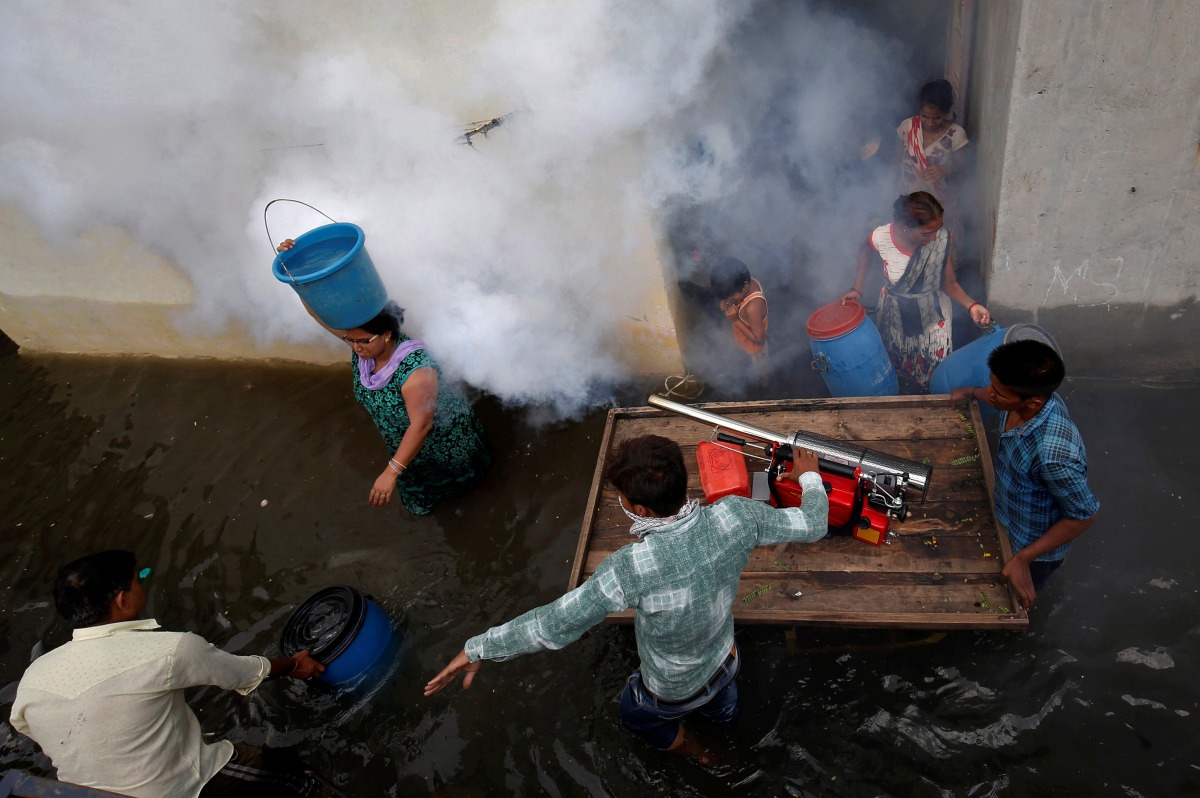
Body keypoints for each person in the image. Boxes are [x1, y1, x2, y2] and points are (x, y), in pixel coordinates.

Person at [424, 435, 828, 759]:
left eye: (620, 497)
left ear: (641, 510)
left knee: (637, 718)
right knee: (723, 710)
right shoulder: (738, 515)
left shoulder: (629, 568)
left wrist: (479, 649)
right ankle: (727, 733)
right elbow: (813, 523)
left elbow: (554, 624)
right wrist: (808, 476)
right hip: (725, 660)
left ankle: (699, 753)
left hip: (672, 687)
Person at [10, 550, 331, 798]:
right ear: (122, 600)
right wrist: (294, 664)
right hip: (180, 787)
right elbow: (244, 672)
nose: (140, 585)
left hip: (88, 794)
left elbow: (26, 725)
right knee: (292, 775)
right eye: (137, 580)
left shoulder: (34, 678)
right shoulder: (170, 649)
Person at [278, 239, 491, 516]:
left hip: (444, 444)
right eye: (349, 340)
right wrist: (295, 272)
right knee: (421, 494)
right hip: (404, 447)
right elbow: (319, 314)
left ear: (387, 334)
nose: (354, 347)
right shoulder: (365, 346)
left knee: (468, 494)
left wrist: (391, 472)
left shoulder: (416, 370)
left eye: (362, 341)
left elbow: (422, 425)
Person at [950, 340, 1100, 609]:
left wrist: (1023, 559)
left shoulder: (1053, 456)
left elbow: (1083, 516)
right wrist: (971, 392)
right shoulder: (1025, 402)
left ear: (1033, 402)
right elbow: (995, 398)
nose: (990, 394)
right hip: (1009, 516)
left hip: (1033, 546)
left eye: (998, 392)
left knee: (1019, 598)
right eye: (990, 385)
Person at [840, 192, 991, 393]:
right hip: (894, 314)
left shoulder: (941, 240)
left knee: (934, 370)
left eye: (937, 229)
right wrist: (856, 289)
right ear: (905, 225)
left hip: (932, 316)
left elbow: (950, 283)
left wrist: (972, 305)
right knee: (896, 363)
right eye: (926, 233)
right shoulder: (882, 237)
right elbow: (866, 250)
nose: (934, 238)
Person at [896, 79, 968, 224]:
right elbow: (896, 163)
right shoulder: (907, 127)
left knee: (937, 243)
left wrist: (946, 169)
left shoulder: (956, 135)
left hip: (939, 207)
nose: (930, 123)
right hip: (908, 203)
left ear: (946, 112)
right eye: (925, 116)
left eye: (937, 118)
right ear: (919, 109)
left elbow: (965, 169)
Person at [710, 256, 769, 385]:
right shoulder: (748, 283)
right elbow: (736, 296)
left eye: (732, 295)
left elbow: (760, 340)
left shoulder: (753, 307)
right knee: (743, 358)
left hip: (755, 347)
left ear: (745, 285)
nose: (731, 298)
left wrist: (736, 320)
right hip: (744, 338)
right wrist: (727, 302)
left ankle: (764, 383)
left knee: (760, 367)